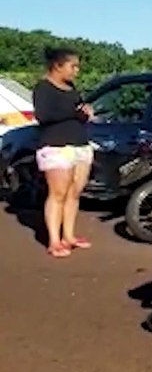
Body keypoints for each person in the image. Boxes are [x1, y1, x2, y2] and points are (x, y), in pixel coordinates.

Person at [32, 47, 94, 257]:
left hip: (80, 144)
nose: (76, 70)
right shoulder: (43, 88)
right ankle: (54, 241)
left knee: (74, 193)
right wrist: (74, 112)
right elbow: (44, 116)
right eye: (72, 66)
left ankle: (69, 235)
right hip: (56, 146)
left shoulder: (72, 87)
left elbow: (77, 113)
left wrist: (85, 113)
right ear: (58, 66)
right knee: (57, 194)